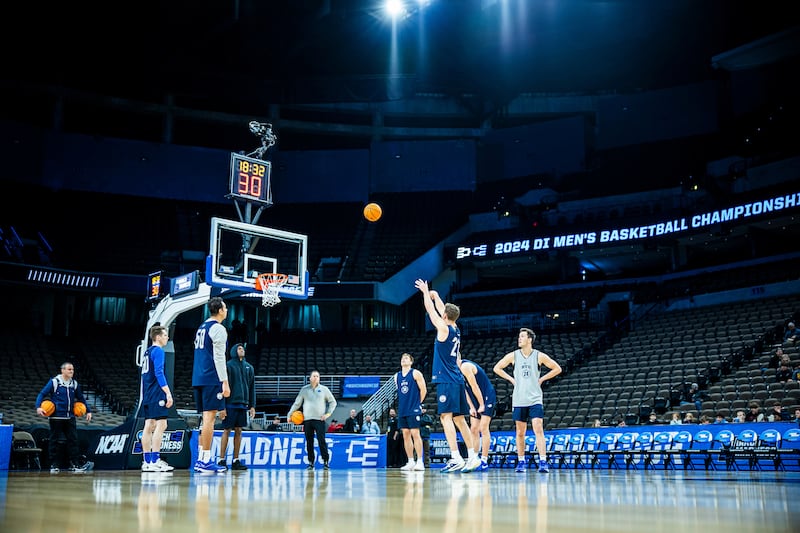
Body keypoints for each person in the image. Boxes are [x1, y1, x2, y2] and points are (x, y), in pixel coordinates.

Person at [414, 279, 480, 473]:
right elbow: (445, 310)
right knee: (460, 420)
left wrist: (426, 293)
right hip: (457, 379)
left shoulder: (443, 329)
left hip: (447, 379)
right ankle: (472, 456)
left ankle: (456, 457)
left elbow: (431, 311)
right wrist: (437, 297)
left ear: (445, 316)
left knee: (445, 418)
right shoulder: (455, 329)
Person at [493, 327, 562, 474]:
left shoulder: (539, 356)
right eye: (519, 336)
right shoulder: (513, 355)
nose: (519, 339)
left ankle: (543, 461)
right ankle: (521, 461)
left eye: (522, 336)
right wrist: (511, 379)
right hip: (519, 399)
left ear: (530, 339)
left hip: (535, 398)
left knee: (538, 428)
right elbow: (497, 368)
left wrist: (542, 379)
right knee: (520, 432)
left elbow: (557, 368)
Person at [191, 296, 230, 474]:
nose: (227, 310)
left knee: (204, 420)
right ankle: (206, 460)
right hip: (211, 378)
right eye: (225, 308)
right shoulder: (218, 328)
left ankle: (201, 459)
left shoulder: (202, 327)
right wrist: (225, 381)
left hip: (198, 377)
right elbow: (219, 357)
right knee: (209, 420)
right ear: (220, 310)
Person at [35, 361, 94, 473]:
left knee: (73, 441)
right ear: (63, 370)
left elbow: (81, 398)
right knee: (54, 441)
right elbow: (42, 394)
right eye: (69, 369)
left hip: (70, 417)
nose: (72, 371)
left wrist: (88, 411)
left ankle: (75, 464)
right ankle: (53, 465)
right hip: (56, 418)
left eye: (72, 369)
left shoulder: (74, 384)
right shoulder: (54, 382)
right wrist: (38, 407)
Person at [140, 325, 175, 472]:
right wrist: (168, 392)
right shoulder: (159, 351)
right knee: (161, 425)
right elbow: (159, 373)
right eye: (165, 335)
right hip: (156, 392)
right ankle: (154, 460)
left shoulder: (147, 352)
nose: (167, 337)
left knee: (149, 425)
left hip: (148, 392)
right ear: (158, 337)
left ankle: (147, 461)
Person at [288, 370, 337, 470]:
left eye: (317, 376)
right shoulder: (304, 390)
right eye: (314, 376)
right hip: (307, 420)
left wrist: (328, 414)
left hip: (320, 420)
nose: (316, 378)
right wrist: (289, 415)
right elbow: (297, 404)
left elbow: (333, 402)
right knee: (309, 442)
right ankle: (311, 462)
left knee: (321, 441)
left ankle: (326, 461)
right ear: (310, 378)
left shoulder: (324, 389)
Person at [218, 343, 256, 471]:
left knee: (239, 431)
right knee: (227, 430)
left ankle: (236, 460)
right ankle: (221, 459)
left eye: (243, 348)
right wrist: (222, 407)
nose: (242, 350)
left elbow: (252, 388)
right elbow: (222, 387)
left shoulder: (249, 367)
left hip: (243, 404)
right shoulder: (228, 366)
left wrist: (252, 406)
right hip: (230, 403)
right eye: (239, 348)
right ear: (234, 351)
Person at [460, 357, 497, 472]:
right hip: (474, 397)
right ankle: (474, 458)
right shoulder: (455, 371)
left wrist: (481, 404)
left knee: (483, 427)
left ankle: (484, 460)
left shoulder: (465, 366)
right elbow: (464, 391)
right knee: (474, 429)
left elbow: (474, 386)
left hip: (486, 395)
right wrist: (471, 407)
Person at [395, 352, 427, 471]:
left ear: (411, 362)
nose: (403, 359)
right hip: (402, 409)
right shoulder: (397, 376)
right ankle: (410, 461)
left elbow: (423, 390)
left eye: (406, 358)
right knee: (406, 435)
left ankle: (420, 461)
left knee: (415, 433)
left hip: (413, 408)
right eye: (402, 358)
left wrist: (417, 404)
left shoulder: (415, 373)